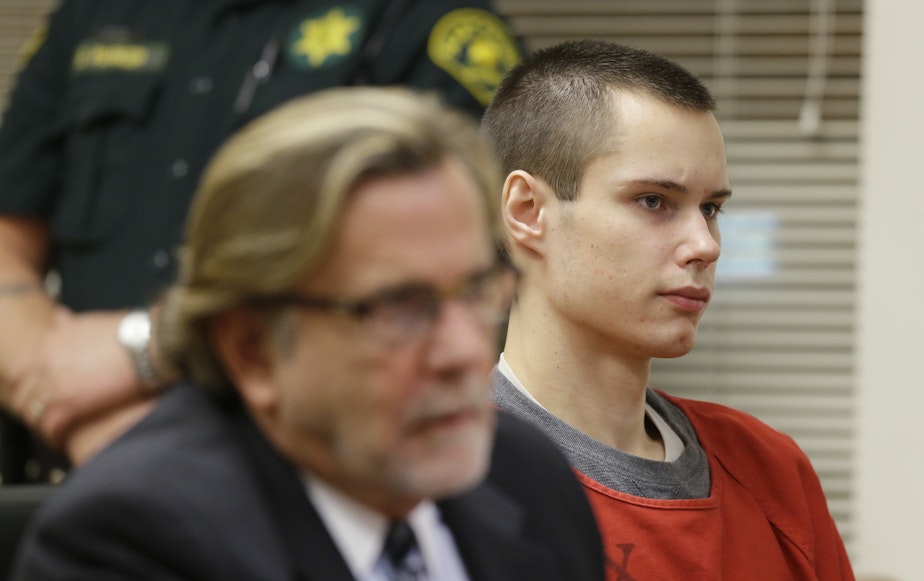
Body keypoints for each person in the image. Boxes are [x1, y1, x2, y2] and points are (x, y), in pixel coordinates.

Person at [10, 86, 604, 581]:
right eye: (397, 307)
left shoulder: (526, 475)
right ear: (254, 351)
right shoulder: (132, 540)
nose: (463, 351)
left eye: (475, 291)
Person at [0, 0, 523, 483]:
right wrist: (54, 394)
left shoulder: (425, 22)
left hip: (297, 476)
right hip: (68, 465)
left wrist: (145, 349)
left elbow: (446, 272)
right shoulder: (94, 13)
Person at [481, 39, 855, 580]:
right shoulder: (432, 481)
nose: (705, 245)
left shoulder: (770, 469)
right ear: (527, 211)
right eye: (653, 201)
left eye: (711, 208)